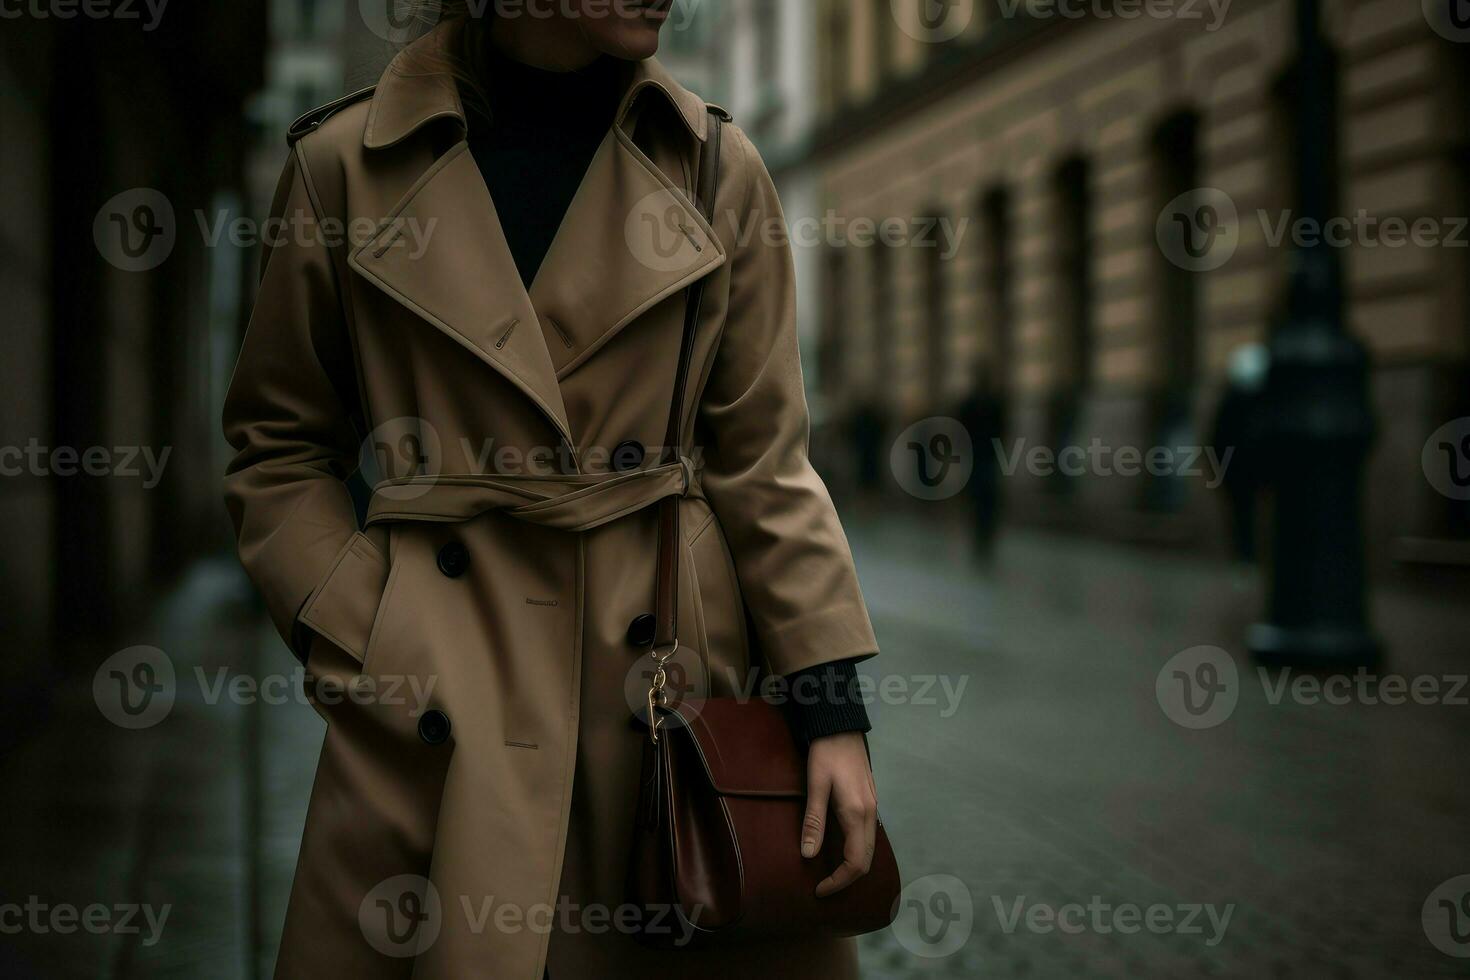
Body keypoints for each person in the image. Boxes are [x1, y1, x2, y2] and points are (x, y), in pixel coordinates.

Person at [222, 2, 883, 977]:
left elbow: (765, 462)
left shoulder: (712, 166)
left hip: (668, 700)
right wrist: (365, 627)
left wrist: (831, 712)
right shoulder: (344, 167)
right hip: (439, 702)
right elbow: (278, 443)